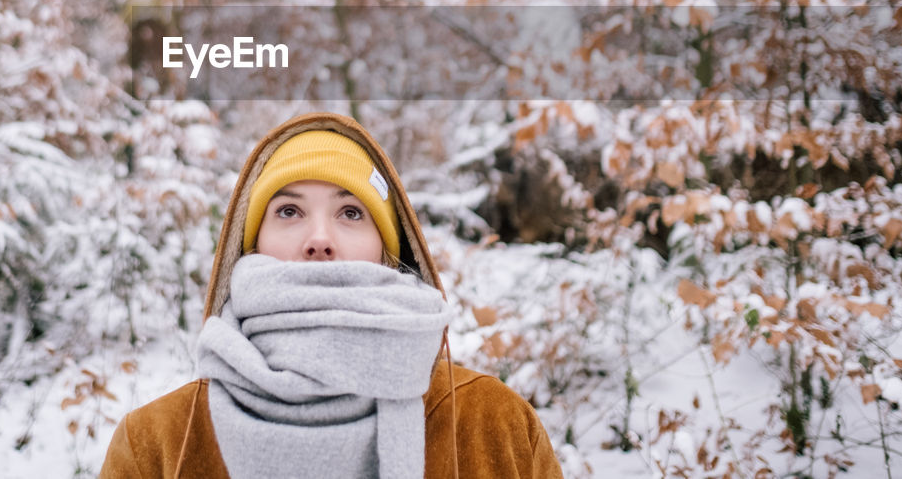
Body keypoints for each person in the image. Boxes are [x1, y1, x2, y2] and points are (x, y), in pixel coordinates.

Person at [99, 111, 564, 478]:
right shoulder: (158, 444)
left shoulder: (493, 425)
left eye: (350, 212)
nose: (319, 238)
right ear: (250, 243)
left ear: (389, 249)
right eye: (288, 210)